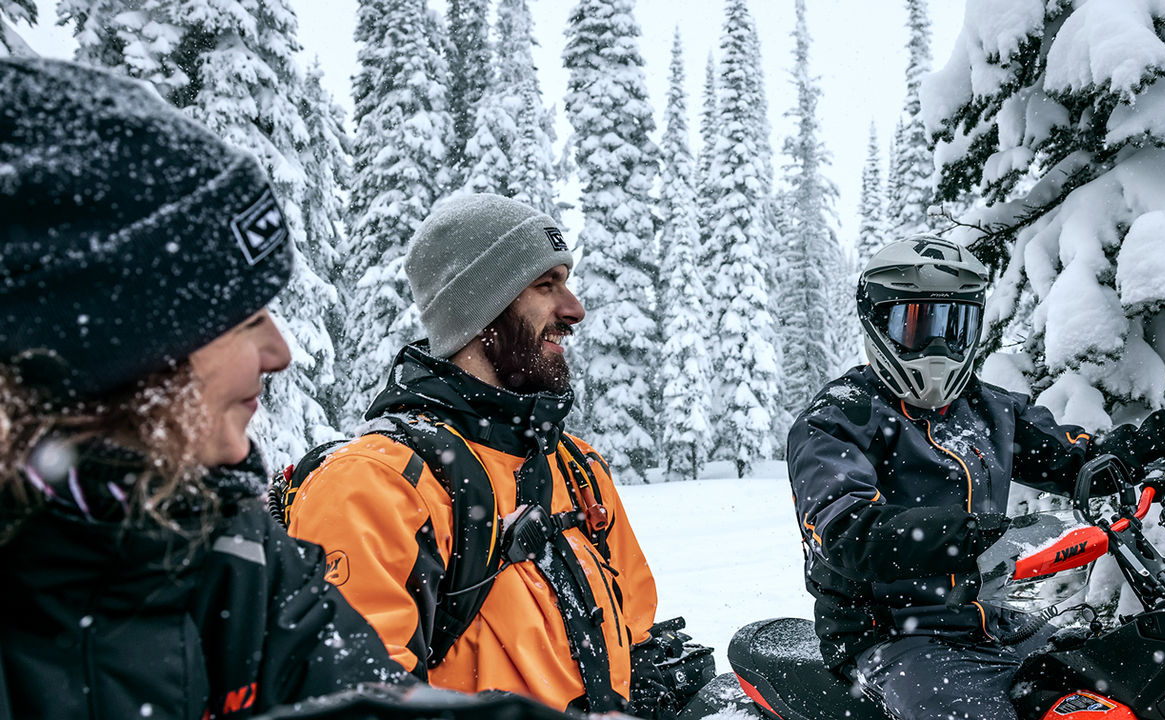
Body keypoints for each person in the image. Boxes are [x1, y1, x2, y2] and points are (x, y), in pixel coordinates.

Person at [0, 57, 413, 719]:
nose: (279, 352)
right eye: (246, 318)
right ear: (117, 345)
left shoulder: (228, 543)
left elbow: (364, 701)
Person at [787, 236, 1165, 720]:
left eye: (954, 326)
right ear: (878, 325)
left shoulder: (986, 409)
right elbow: (848, 532)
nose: (938, 345)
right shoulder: (838, 419)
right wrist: (989, 540)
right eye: (917, 326)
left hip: (990, 623)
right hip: (895, 637)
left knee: (1112, 683)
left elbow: (1086, 462)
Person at [283, 194, 669, 715]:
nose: (574, 308)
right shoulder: (373, 485)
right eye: (545, 284)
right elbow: (357, 705)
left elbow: (638, 644)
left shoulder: (578, 469)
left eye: (566, 281)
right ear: (480, 306)